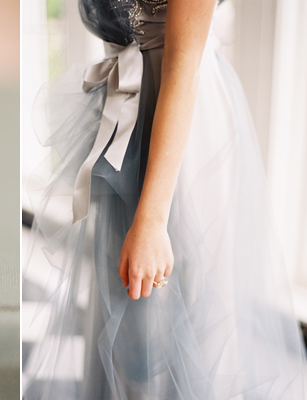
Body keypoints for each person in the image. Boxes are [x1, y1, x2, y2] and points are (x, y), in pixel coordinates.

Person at [23, 0, 307, 398]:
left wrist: (152, 220)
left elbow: (182, 67)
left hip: (180, 128)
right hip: (125, 108)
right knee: (127, 316)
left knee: (175, 308)